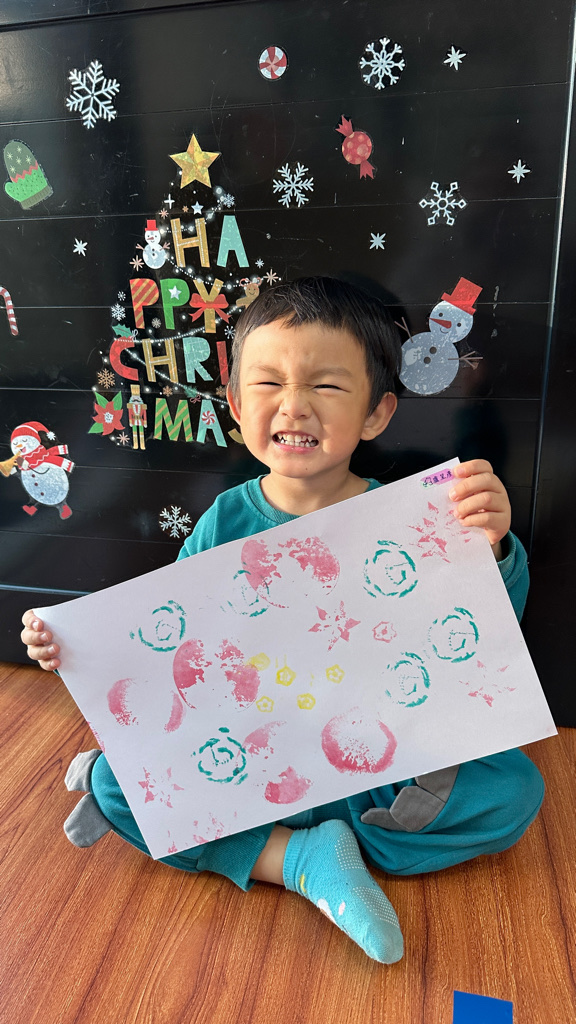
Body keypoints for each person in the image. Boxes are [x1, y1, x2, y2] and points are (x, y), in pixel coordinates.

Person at [21, 277, 544, 965]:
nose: (294, 405)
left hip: (373, 759)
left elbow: (483, 643)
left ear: (377, 413)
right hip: (246, 754)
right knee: (119, 787)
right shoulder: (225, 521)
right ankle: (298, 860)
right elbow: (167, 646)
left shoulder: (415, 518)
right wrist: (69, 648)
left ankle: (334, 838)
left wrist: (493, 548)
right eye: (268, 383)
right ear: (238, 406)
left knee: (511, 793)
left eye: (325, 386)